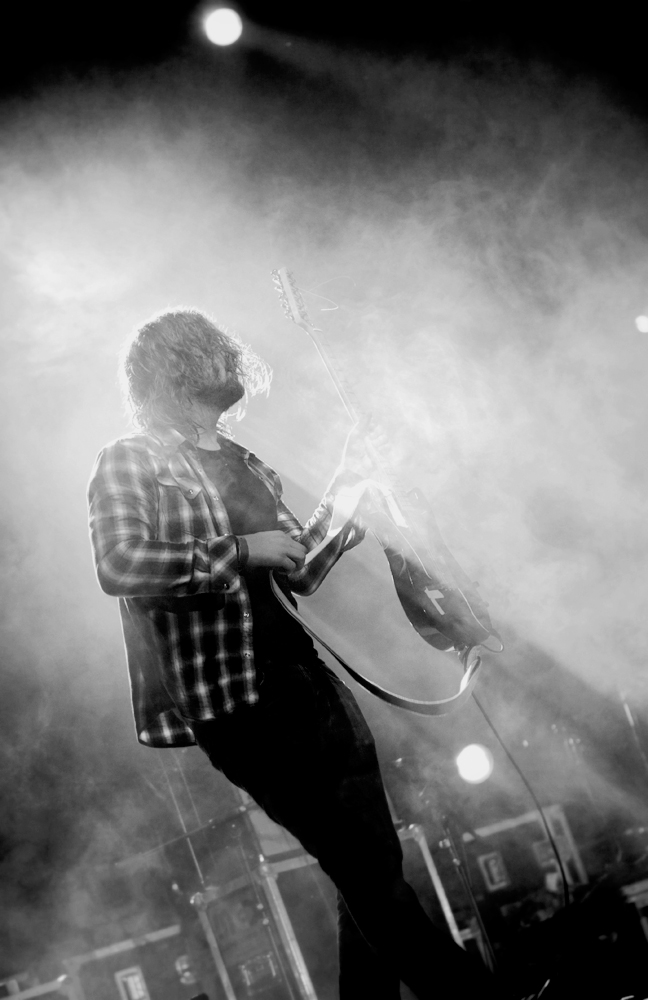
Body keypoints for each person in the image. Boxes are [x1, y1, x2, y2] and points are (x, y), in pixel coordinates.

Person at [88, 307, 496, 999]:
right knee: (365, 873)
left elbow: (298, 568)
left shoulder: (245, 462)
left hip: (308, 683)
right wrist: (240, 550)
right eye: (212, 349)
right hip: (238, 704)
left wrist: (351, 482)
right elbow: (120, 563)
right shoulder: (130, 459)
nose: (230, 357)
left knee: (370, 870)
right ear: (175, 367)